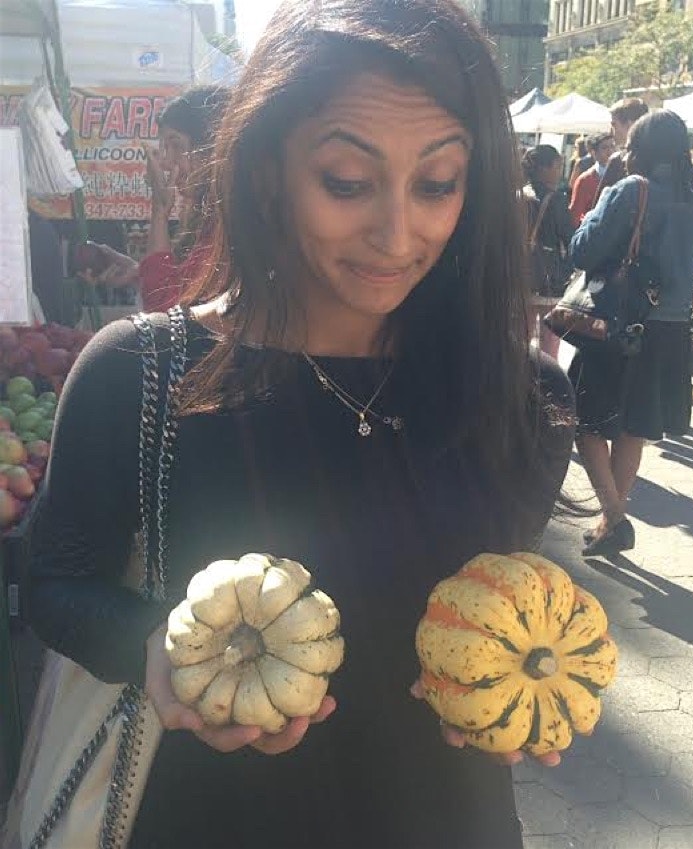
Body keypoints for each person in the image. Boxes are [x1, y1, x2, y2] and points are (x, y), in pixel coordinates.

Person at [26, 1, 578, 847]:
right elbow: (52, 585)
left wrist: (526, 686)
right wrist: (155, 653)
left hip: (446, 819)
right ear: (263, 171)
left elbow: (497, 606)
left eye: (437, 183)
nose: (397, 233)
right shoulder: (136, 373)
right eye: (347, 183)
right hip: (209, 813)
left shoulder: (526, 401)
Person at [567, 110, 693, 557]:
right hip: (670, 328)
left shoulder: (631, 190)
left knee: (583, 420)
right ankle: (609, 523)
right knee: (633, 429)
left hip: (620, 326)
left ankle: (616, 518)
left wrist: (593, 212)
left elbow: (582, 252)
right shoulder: (692, 197)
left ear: (639, 146)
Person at [79, 85, 230, 312]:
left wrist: (159, 211)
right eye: (164, 148)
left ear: (213, 147)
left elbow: (166, 317)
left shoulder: (229, 228)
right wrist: (139, 271)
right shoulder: (211, 220)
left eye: (176, 145)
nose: (166, 163)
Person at [521, 144, 575, 358]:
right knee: (550, 339)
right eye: (557, 166)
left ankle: (519, 376)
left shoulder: (517, 195)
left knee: (520, 334)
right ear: (545, 168)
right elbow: (569, 236)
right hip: (549, 276)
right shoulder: (557, 199)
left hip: (521, 274)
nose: (559, 171)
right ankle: (545, 382)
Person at [592, 97, 649, 205]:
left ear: (630, 124)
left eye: (614, 125)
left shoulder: (618, 161)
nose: (611, 132)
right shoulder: (666, 161)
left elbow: (599, 212)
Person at [569, 131, 615, 226]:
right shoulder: (585, 180)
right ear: (594, 153)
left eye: (612, 146)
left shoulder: (624, 174)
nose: (610, 151)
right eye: (604, 148)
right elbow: (575, 215)